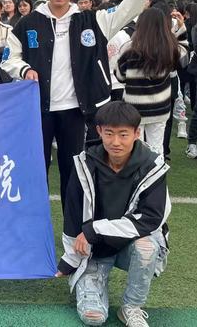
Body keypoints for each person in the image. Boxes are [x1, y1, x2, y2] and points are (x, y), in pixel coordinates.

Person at [1, 0, 162, 209]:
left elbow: (128, 8)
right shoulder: (28, 23)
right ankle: (32, 222)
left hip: (75, 110)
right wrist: (24, 70)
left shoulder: (93, 20)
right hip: (37, 110)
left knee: (73, 173)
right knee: (34, 170)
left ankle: (73, 226)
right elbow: (8, 58)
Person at [57, 101, 170, 327]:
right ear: (99, 131)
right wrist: (70, 259)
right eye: (109, 133)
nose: (116, 142)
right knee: (94, 319)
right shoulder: (84, 163)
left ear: (137, 133)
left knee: (147, 247)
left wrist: (94, 229)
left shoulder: (153, 166)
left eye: (123, 134)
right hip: (94, 249)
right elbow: (72, 215)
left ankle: (132, 307)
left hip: (130, 243)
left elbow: (150, 219)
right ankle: (96, 274)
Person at [115, 7, 186, 155]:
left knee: (136, 149)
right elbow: (183, 58)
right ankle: (157, 170)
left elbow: (120, 76)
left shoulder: (129, 48)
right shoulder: (169, 48)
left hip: (134, 108)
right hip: (160, 107)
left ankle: (138, 170)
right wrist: (181, 28)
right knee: (156, 148)